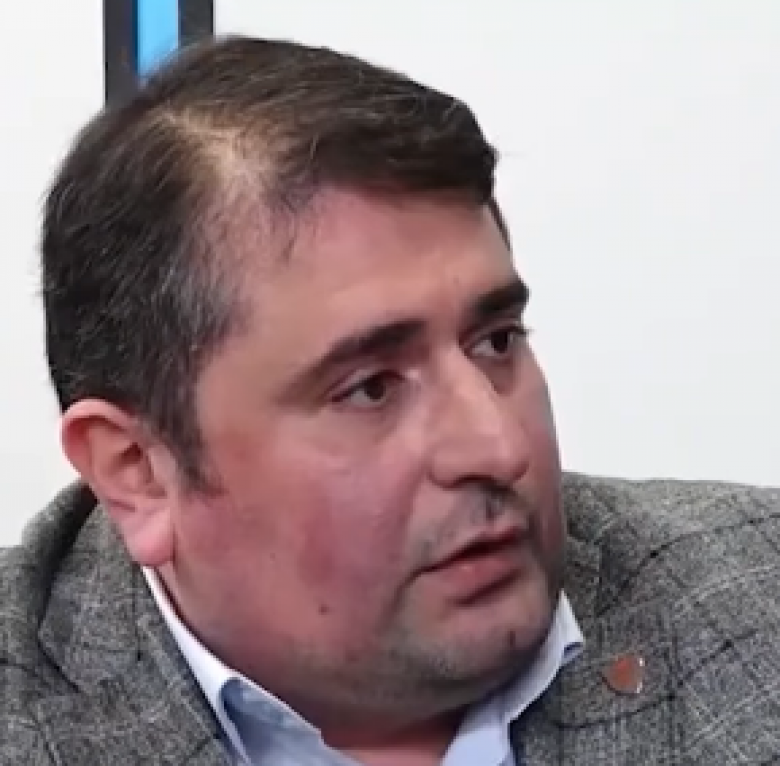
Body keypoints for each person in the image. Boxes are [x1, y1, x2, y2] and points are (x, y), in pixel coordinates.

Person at [0, 35, 778, 766]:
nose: (498, 447)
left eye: (496, 341)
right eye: (370, 388)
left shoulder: (752, 600)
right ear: (138, 470)